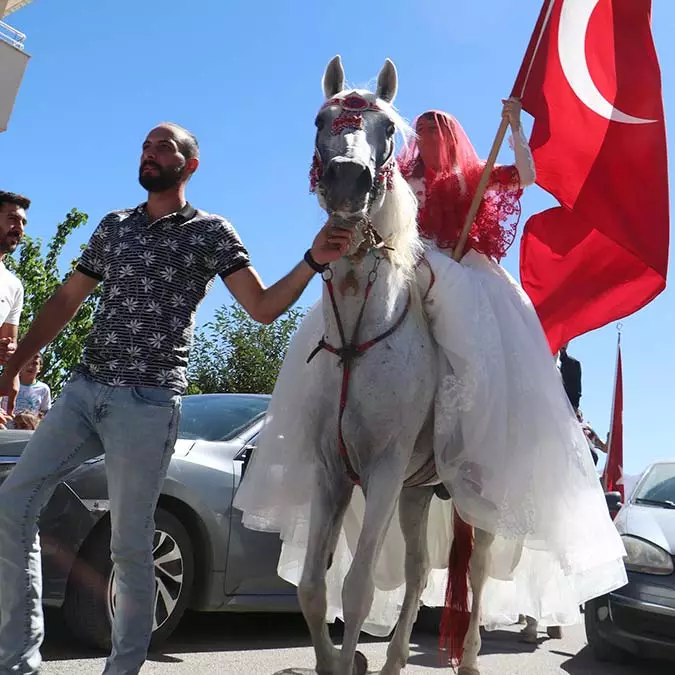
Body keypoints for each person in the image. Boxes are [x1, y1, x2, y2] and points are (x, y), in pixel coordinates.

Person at [235, 97, 627, 638]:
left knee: (464, 324)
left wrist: (514, 127)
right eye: (419, 130)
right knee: (342, 318)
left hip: (458, 267)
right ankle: (322, 429)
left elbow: (528, 175)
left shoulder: (474, 172)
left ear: (452, 136)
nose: (426, 138)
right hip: (407, 259)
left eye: (433, 129)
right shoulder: (400, 174)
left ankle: (467, 428)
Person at [0, 122, 351, 675]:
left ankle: (123, 668)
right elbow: (67, 299)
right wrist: (17, 362)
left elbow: (261, 307)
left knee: (130, 542)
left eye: (163, 147)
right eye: (144, 145)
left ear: (189, 165)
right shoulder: (115, 226)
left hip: (147, 401)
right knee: (13, 502)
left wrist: (311, 261)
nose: (149, 153)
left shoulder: (211, 232)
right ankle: (17, 659)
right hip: (85, 388)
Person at [0, 191, 29, 428]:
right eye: (12, 218)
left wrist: (13, 374)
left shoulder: (13, 285)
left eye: (22, 222)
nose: (19, 228)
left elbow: (9, 342)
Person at [0, 353, 51, 419]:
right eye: (26, 362)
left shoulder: (44, 389)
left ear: (40, 368)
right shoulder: (8, 383)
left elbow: (45, 412)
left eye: (34, 363)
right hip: (5, 427)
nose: (30, 367)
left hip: (29, 428)